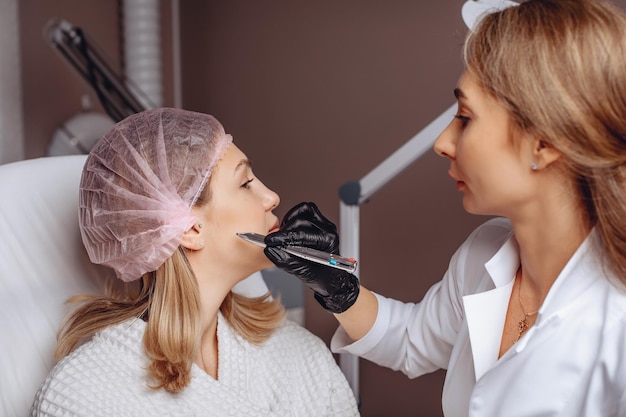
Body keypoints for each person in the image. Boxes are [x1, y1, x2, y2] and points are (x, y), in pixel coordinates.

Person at [263, 0, 626, 415]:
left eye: (465, 118)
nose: (442, 143)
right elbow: (412, 342)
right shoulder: (484, 253)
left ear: (543, 144)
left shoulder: (616, 326)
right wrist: (338, 288)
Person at [30, 108, 359, 416]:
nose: (271, 197)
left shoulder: (300, 353)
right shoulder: (81, 395)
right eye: (246, 183)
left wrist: (343, 294)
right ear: (190, 229)